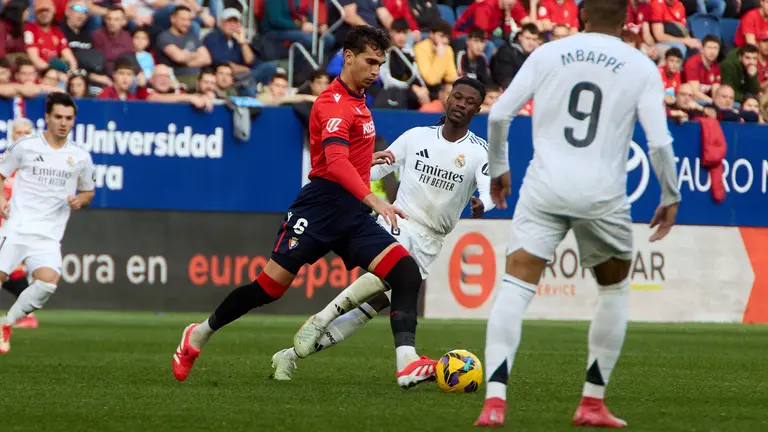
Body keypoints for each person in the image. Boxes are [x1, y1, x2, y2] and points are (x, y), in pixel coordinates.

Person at [171, 25, 434, 389]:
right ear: (348, 57)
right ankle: (198, 333)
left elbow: (343, 157)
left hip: (353, 217)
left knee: (406, 273)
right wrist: (374, 198)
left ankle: (407, 363)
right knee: (268, 288)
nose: (375, 70)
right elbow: (335, 163)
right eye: (370, 62)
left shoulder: (359, 100)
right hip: (319, 210)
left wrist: (367, 160)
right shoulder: (333, 103)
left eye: (380, 63)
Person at [475, 0, 681, 427]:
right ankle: (591, 403)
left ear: (581, 16)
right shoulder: (641, 66)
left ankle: (494, 402)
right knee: (613, 290)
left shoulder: (548, 52)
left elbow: (499, 114)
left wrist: (498, 169)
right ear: (626, 19)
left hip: (544, 188)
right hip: (602, 195)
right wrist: (670, 194)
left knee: (515, 288)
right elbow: (660, 143)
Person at [270, 78, 496, 381]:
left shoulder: (480, 152)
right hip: (400, 222)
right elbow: (377, 168)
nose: (461, 104)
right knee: (386, 276)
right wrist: (341, 176)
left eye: (469, 102)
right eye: (458, 97)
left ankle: (289, 356)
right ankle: (325, 320)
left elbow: (490, 190)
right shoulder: (416, 136)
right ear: (447, 98)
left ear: (478, 110)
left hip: (432, 239)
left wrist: (484, 204)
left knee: (370, 308)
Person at [0, 93, 96, 354]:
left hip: (48, 235)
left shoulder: (79, 156)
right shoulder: (26, 146)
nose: (63, 123)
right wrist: (1, 199)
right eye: (58, 117)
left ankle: (6, 324)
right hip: (16, 227)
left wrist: (80, 200)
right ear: (47, 118)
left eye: (68, 118)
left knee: (48, 282)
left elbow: (88, 191)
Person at [0, 118, 37, 329]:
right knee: (10, 271)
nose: (22, 137)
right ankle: (27, 315)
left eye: (26, 133)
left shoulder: (39, 167)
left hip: (19, 228)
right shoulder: (3, 163)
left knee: (10, 270)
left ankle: (27, 314)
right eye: (18, 133)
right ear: (11, 136)